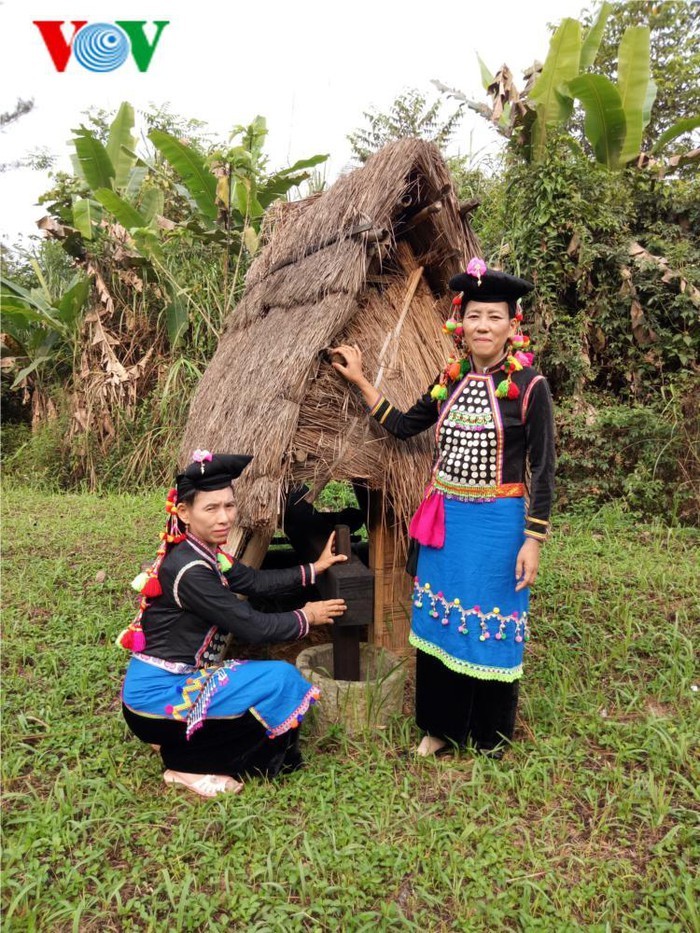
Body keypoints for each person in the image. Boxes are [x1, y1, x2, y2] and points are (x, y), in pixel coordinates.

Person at [331, 260, 555, 758]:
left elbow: (544, 469)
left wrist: (533, 540)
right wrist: (362, 381)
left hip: (499, 528)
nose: (483, 326)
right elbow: (406, 425)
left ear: (512, 325)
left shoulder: (530, 387)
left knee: (492, 623)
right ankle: (439, 728)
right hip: (446, 524)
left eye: (495, 317)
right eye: (475, 316)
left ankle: (489, 735)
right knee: (440, 624)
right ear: (461, 322)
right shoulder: (449, 380)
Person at [119, 451, 347, 797]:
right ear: (184, 512)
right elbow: (252, 626)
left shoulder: (206, 552)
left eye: (229, 506)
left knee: (258, 682)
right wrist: (308, 616)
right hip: (155, 697)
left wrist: (315, 568)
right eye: (211, 509)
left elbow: (255, 583)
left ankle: (176, 739)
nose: (224, 517)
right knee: (281, 680)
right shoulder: (190, 571)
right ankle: (184, 763)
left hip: (173, 685)